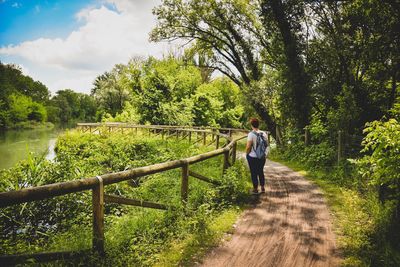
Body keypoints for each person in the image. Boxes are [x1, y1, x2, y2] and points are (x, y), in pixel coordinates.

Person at [246, 118, 268, 194]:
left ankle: (255, 189)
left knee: (253, 172)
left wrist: (247, 153)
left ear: (251, 125)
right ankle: (262, 187)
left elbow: (248, 147)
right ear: (259, 124)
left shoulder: (251, 134)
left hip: (253, 157)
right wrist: (265, 154)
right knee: (260, 171)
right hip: (262, 156)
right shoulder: (264, 133)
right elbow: (266, 145)